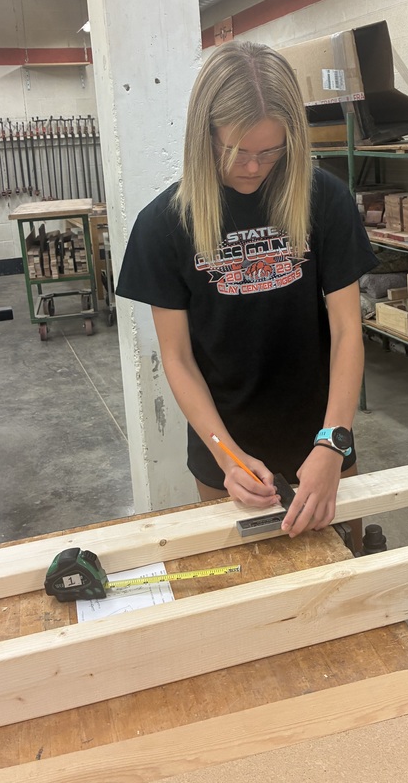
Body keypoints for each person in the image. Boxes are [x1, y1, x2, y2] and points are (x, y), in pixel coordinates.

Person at [116, 40, 377, 539]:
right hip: (224, 453)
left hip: (323, 439)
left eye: (270, 151)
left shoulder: (325, 199)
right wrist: (226, 455)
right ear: (204, 135)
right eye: (236, 151)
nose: (254, 167)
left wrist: (333, 442)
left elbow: (348, 331)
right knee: (243, 579)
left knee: (345, 568)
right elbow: (178, 358)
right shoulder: (163, 225)